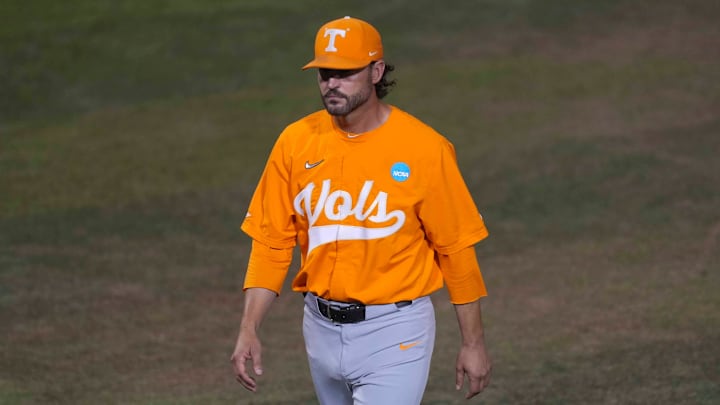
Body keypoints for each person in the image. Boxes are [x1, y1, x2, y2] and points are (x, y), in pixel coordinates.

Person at [231, 16, 492, 404]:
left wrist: (473, 342)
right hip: (318, 328)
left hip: (396, 329)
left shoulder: (424, 148)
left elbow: (456, 249)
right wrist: (249, 326)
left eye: (344, 72)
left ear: (376, 71)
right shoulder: (295, 142)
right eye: (324, 73)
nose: (331, 83)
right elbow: (271, 242)